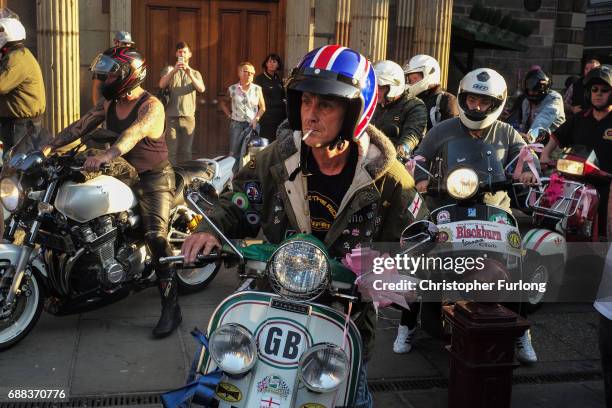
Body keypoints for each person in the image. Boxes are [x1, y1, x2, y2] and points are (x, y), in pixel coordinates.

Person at [181, 44, 429, 408]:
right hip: (269, 300)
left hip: (344, 319)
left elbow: (415, 244)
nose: (311, 115)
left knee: (350, 398)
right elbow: (238, 201)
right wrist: (209, 227)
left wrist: (391, 272)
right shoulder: (275, 159)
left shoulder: (390, 180)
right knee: (212, 382)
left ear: (354, 111)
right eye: (306, 102)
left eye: (325, 105)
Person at [46, 46, 182, 339]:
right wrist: (47, 147)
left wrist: (108, 154)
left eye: (108, 76)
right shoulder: (109, 104)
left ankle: (171, 307)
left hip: (152, 177)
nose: (102, 80)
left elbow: (132, 133)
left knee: (155, 235)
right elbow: (79, 126)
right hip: (120, 171)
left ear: (127, 75)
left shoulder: (151, 105)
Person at [411, 68, 540, 363]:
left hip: (495, 210)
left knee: (516, 260)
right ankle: (408, 323)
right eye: (471, 100)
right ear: (462, 98)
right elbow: (419, 157)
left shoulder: (507, 132)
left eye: (484, 102)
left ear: (497, 103)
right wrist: (419, 175)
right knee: (420, 255)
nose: (476, 107)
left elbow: (527, 157)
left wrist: (528, 172)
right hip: (449, 204)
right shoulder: (442, 129)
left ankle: (521, 335)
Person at [540, 65, 612, 236]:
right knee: (557, 223)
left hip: (608, 188)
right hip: (577, 186)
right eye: (594, 89)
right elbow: (557, 137)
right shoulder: (580, 119)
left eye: (605, 90)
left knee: (605, 233)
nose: (598, 93)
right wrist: (545, 154)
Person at [0, 10, 45, 158]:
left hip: (20, 126)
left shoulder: (15, 58)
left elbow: (1, 85)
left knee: (15, 169)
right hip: (22, 124)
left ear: (7, 34)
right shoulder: (18, 54)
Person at [158, 41, 205, 165]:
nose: (182, 54)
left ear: (189, 54)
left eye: (185, 52)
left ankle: (185, 178)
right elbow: (162, 84)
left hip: (188, 117)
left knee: (186, 151)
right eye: (180, 52)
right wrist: (174, 70)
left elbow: (201, 89)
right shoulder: (170, 70)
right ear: (176, 53)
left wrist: (189, 72)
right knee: (171, 151)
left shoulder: (195, 73)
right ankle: (171, 178)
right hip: (171, 116)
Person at [371, 60, 427, 160]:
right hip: (366, 157)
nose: (376, 90)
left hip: (396, 162)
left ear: (394, 87)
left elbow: (411, 137)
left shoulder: (414, 106)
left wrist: (400, 153)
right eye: (375, 85)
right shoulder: (373, 103)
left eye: (382, 87)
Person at [220, 61, 265, 173]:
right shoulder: (232, 89)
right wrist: (229, 115)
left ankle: (250, 176)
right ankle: (232, 177)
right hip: (237, 125)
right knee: (234, 153)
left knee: (253, 153)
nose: (249, 74)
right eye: (245, 71)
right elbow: (223, 103)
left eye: (251, 72)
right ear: (239, 73)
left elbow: (262, 107)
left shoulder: (257, 89)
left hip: (252, 125)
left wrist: (256, 119)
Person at [403, 54, 458, 131]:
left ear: (429, 73)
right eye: (410, 79)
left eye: (415, 78)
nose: (411, 82)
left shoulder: (446, 100)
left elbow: (451, 131)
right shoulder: (409, 101)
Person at [519, 68, 565, 143]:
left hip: (555, 144)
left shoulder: (554, 98)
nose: (531, 93)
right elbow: (524, 125)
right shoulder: (526, 102)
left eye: (534, 91)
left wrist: (530, 136)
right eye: (529, 90)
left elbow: (543, 120)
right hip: (532, 143)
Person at [91, 31, 136, 106]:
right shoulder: (106, 58)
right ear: (115, 42)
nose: (127, 46)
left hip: (127, 104)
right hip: (108, 102)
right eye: (124, 43)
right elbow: (97, 85)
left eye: (129, 44)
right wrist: (98, 107)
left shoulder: (132, 59)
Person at [254, 53, 286, 142]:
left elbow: (283, 97)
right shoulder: (259, 79)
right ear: (266, 64)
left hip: (279, 119)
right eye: (270, 61)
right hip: (266, 119)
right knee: (266, 143)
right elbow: (257, 99)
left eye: (274, 62)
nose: (272, 64)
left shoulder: (280, 80)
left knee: (277, 144)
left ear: (278, 64)